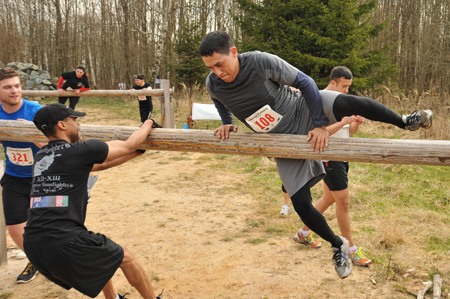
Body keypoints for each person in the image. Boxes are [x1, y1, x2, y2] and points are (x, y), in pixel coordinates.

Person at [199, 31, 432, 279]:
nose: (217, 72)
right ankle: (338, 244)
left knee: (350, 103)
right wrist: (227, 122)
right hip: (280, 141)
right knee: (301, 204)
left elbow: (306, 82)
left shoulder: (259, 61)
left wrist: (320, 124)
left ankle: (404, 121)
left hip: (303, 110)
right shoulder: (213, 84)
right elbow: (220, 100)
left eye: (219, 64)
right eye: (210, 68)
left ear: (234, 53)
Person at [23, 103, 162, 299]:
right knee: (126, 258)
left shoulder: (42, 156)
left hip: (33, 243)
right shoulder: (80, 150)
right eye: (75, 120)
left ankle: (112, 298)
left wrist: (133, 155)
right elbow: (128, 144)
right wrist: (149, 123)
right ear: (62, 125)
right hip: (62, 240)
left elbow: (98, 166)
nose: (79, 125)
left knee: (98, 256)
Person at [293, 66, 372, 267]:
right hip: (329, 156)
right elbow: (319, 131)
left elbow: (348, 131)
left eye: (349, 87)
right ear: (334, 82)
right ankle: (350, 248)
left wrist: (356, 123)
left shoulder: (342, 101)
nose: (347, 90)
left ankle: (303, 233)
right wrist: (344, 121)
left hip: (342, 156)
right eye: (344, 86)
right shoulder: (319, 99)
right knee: (343, 201)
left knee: (329, 197)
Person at [0, 68, 43, 283]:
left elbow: (58, 143)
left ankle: (56, 260)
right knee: (15, 227)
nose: (14, 91)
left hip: (44, 177)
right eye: (7, 87)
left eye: (17, 85)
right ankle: (35, 259)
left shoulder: (36, 110)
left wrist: (32, 133)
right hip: (14, 176)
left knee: (51, 225)